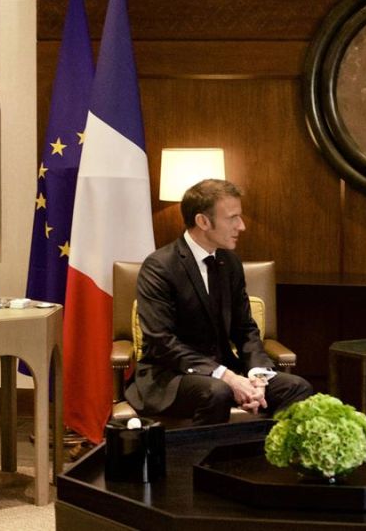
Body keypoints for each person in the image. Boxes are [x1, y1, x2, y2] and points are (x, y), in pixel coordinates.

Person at [125, 179, 312, 425]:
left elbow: (245, 329)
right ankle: (200, 463)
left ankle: (264, 458)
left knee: (297, 387)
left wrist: (257, 376)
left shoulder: (230, 263)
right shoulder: (159, 267)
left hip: (225, 370)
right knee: (217, 391)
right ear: (203, 221)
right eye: (232, 218)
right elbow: (162, 342)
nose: (241, 226)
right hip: (170, 377)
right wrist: (228, 378)